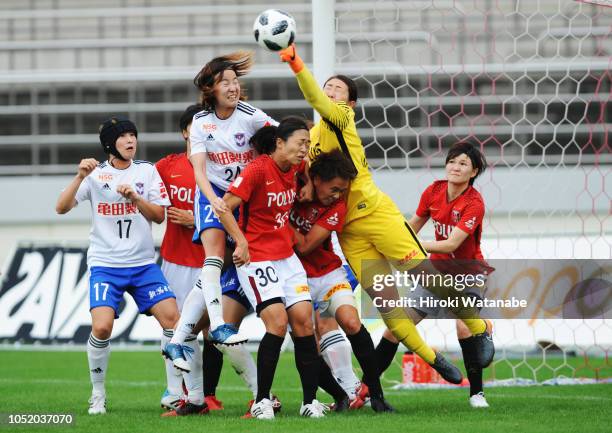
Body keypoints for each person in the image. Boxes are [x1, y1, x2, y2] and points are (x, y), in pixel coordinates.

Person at [279, 44, 494, 379]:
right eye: (328, 86)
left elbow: (316, 103)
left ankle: (477, 326)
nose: (330, 90)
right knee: (388, 305)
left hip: (378, 215)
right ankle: (431, 358)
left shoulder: (342, 118)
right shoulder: (312, 136)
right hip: (348, 231)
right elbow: (300, 164)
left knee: (426, 277)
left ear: (350, 103)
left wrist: (295, 62)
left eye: (339, 88)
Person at [218, 117, 341, 419]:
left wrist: (310, 185)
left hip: (286, 258)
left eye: (307, 144)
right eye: (300, 143)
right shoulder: (258, 169)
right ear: (279, 143)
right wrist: (240, 242)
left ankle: (310, 402)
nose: (304, 150)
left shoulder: (297, 167)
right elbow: (223, 207)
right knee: (276, 323)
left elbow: (305, 170)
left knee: (303, 323)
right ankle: (261, 401)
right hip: (257, 258)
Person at [55, 117, 180, 415]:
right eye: (123, 136)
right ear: (111, 144)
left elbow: (160, 216)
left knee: (174, 322)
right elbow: (60, 208)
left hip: (142, 265)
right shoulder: (95, 175)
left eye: (133, 135)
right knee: (101, 326)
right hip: (105, 265)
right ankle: (97, 394)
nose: (130, 140)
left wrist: (136, 198)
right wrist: (78, 177)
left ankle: (175, 393)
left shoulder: (147, 172)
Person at [157, 105, 268, 416]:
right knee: (198, 328)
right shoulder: (175, 167)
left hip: (252, 262)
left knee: (224, 331)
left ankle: (264, 396)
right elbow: (151, 202)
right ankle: (196, 399)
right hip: (202, 261)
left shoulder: (252, 168)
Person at [168, 51, 277, 350]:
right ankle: (218, 325)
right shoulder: (202, 123)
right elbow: (199, 169)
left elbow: (281, 140)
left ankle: (177, 339)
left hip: (245, 200)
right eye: (224, 82)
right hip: (213, 194)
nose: (233, 87)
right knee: (213, 257)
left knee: (213, 273)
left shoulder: (251, 116)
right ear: (211, 90)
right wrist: (213, 199)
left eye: (235, 81)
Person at [374, 142, 492, 408]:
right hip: (434, 272)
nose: (455, 167)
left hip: (468, 272)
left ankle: (477, 393)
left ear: (473, 172)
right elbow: (412, 227)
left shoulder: (474, 203)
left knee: (464, 326)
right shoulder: (434, 190)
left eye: (463, 164)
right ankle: (370, 390)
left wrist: (410, 246)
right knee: (396, 328)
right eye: (452, 161)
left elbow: (451, 244)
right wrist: (388, 240)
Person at [290, 149, 393, 412]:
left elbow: (305, 246)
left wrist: (278, 217)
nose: (338, 195)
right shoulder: (290, 185)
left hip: (326, 276)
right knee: (307, 342)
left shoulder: (337, 206)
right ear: (317, 179)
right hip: (291, 277)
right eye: (334, 188)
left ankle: (375, 394)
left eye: (342, 190)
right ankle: (336, 396)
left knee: (349, 321)